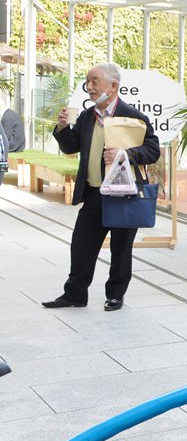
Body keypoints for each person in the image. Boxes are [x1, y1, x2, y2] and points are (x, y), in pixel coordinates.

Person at [42, 63, 160, 311]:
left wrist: (125, 154)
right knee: (81, 245)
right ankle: (75, 294)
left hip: (125, 195)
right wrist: (63, 128)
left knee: (121, 249)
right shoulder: (87, 116)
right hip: (94, 193)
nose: (89, 87)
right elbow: (70, 147)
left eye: (95, 81)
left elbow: (153, 151)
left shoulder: (133, 117)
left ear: (113, 86)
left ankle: (115, 295)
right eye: (87, 81)